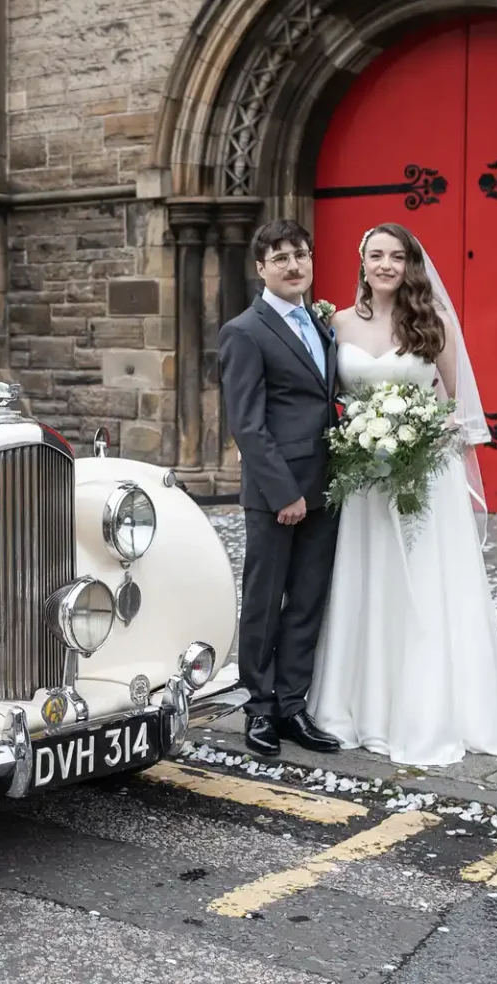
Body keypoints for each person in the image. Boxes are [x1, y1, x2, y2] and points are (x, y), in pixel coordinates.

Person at [307, 222, 497, 767]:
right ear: (361, 262)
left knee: (426, 588)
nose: (384, 265)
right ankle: (357, 705)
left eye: (395, 257)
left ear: (410, 265)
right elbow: (323, 398)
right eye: (375, 255)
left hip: (422, 476)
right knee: (368, 581)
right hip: (363, 482)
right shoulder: (336, 324)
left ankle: (431, 708)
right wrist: (360, 439)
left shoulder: (435, 324)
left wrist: (419, 439)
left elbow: (457, 409)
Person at [216, 218, 346, 759]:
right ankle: (259, 708)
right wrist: (283, 492)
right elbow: (247, 423)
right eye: (281, 258)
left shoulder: (321, 324)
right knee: (266, 602)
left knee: (308, 600)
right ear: (261, 269)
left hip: (328, 484)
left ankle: (293, 706)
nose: (294, 266)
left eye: (301, 255)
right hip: (277, 492)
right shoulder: (244, 331)